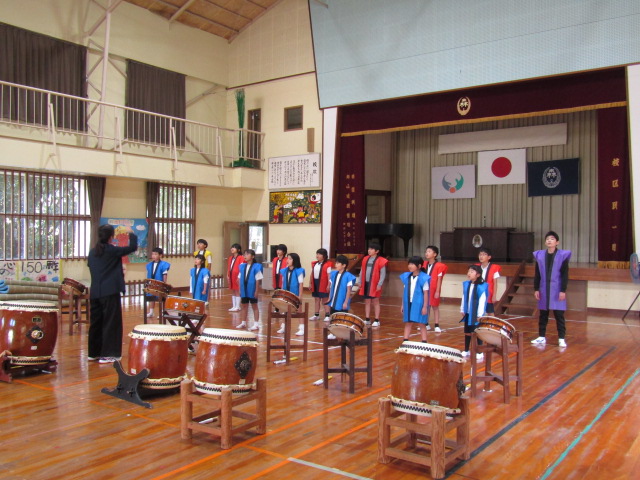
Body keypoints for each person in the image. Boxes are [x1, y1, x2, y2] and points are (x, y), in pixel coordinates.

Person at [87, 224, 138, 364]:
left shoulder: (93, 252)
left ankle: (94, 353)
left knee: (96, 323)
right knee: (111, 323)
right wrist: (131, 233)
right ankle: (109, 354)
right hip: (110, 292)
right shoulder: (112, 250)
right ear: (111, 237)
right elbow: (132, 247)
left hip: (95, 292)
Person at [531, 231, 571, 348]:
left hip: (556, 289)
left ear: (557, 242)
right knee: (543, 314)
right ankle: (541, 336)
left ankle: (561, 338)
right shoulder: (540, 255)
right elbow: (537, 274)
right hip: (543, 288)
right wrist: (536, 288)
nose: (549, 240)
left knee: (559, 314)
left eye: (552, 239)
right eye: (547, 239)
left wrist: (563, 290)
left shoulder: (562, 255)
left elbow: (565, 275)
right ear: (545, 242)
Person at [356, 243, 388, 327]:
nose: (369, 250)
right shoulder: (365, 259)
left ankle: (377, 320)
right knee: (367, 301)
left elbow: (383, 274)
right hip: (366, 283)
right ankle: (367, 319)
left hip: (375, 284)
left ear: (377, 251)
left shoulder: (381, 260)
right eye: (369, 249)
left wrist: (379, 284)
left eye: (371, 249)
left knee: (375, 301)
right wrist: (360, 281)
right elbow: (362, 271)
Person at [325, 255, 357, 340]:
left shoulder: (348, 276)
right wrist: (329, 298)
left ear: (344, 265)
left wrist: (346, 302)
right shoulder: (333, 274)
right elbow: (331, 287)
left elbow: (349, 290)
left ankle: (343, 334)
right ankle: (332, 333)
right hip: (333, 300)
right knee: (333, 316)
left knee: (342, 318)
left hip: (342, 300)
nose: (336, 264)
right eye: (336, 263)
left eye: (338, 263)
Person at [460, 264, 488, 359]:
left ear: (478, 275)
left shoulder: (482, 287)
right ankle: (466, 350)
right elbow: (464, 297)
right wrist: (462, 309)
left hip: (476, 314)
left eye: (472, 272)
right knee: (467, 332)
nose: (469, 273)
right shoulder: (466, 284)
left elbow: (482, 301)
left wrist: (480, 314)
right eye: (469, 271)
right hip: (468, 313)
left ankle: (480, 352)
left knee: (477, 332)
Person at [400, 256, 431, 343]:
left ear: (419, 266)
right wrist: (402, 305)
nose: (410, 266)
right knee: (408, 322)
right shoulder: (407, 277)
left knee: (421, 323)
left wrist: (424, 307)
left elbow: (426, 293)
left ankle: (424, 341)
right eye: (409, 264)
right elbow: (404, 291)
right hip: (408, 303)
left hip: (419, 303)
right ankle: (405, 340)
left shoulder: (423, 278)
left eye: (412, 264)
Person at [279, 252, 306, 336]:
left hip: (295, 294)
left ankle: (302, 328)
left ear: (295, 260)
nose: (288, 260)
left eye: (290, 259)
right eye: (287, 258)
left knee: (299, 311)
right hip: (286, 293)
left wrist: (300, 295)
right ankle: (283, 327)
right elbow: (283, 282)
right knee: (284, 310)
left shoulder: (299, 271)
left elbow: (301, 284)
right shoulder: (284, 271)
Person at [236, 249, 263, 331]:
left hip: (252, 289)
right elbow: (239, 279)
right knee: (244, 305)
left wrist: (256, 291)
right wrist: (240, 289)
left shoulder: (256, 267)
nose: (245, 256)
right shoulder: (242, 266)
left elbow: (258, 280)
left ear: (252, 256)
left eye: (247, 254)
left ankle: (256, 324)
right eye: (244, 254)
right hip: (244, 289)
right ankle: (243, 322)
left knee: (254, 306)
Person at [424, 245, 448, 332]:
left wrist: (437, 291)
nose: (427, 253)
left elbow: (439, 279)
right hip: (425, 289)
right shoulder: (424, 264)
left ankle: (437, 325)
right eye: (426, 251)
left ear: (435, 254)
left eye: (429, 251)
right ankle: (426, 323)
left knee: (435, 306)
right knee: (426, 306)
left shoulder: (439, 266)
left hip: (434, 289)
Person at [145, 247, 170, 319]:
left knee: (161, 298)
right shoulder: (149, 265)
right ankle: (151, 312)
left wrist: (164, 284)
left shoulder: (164, 264)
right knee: (151, 297)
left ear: (160, 255)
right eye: (152, 254)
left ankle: (162, 312)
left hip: (160, 284)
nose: (153, 256)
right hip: (151, 284)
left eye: (155, 254)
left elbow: (164, 275)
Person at [309, 248, 332, 322]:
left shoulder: (328, 264)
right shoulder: (314, 264)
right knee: (316, 299)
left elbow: (329, 276)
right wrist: (310, 283)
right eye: (317, 254)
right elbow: (311, 274)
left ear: (324, 256)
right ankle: (316, 315)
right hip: (315, 283)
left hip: (323, 283)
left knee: (325, 300)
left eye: (319, 254)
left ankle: (327, 315)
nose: (317, 255)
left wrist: (328, 285)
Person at [476, 247, 501, 314]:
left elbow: (495, 283)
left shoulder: (494, 268)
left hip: (488, 293)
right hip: (478, 293)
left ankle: (491, 321)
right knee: (478, 312)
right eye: (480, 254)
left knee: (490, 312)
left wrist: (494, 296)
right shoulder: (476, 267)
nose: (481, 256)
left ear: (489, 257)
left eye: (484, 254)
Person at [227, 243, 245, 312]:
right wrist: (227, 275)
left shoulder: (241, 257)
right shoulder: (230, 258)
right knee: (233, 290)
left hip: (237, 276)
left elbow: (242, 267)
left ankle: (238, 306)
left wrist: (239, 276)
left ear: (238, 250)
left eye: (234, 247)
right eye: (232, 247)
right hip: (231, 275)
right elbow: (229, 267)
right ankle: (234, 306)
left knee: (237, 290)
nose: (232, 249)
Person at [271, 244, 288, 312]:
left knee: (283, 294)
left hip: (283, 278)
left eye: (280, 250)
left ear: (284, 252)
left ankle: (284, 309)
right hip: (276, 277)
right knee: (276, 294)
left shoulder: (286, 260)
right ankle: (276, 309)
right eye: (277, 249)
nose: (278, 251)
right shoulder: (275, 259)